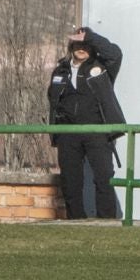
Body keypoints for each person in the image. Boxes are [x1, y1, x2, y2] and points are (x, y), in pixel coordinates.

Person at [47, 26, 125, 219]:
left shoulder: (102, 68)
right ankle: (75, 221)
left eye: (86, 44)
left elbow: (115, 53)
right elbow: (53, 99)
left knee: (103, 177)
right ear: (70, 46)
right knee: (70, 180)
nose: (81, 47)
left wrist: (91, 36)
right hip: (68, 133)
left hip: (97, 130)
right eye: (77, 43)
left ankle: (106, 221)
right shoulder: (60, 71)